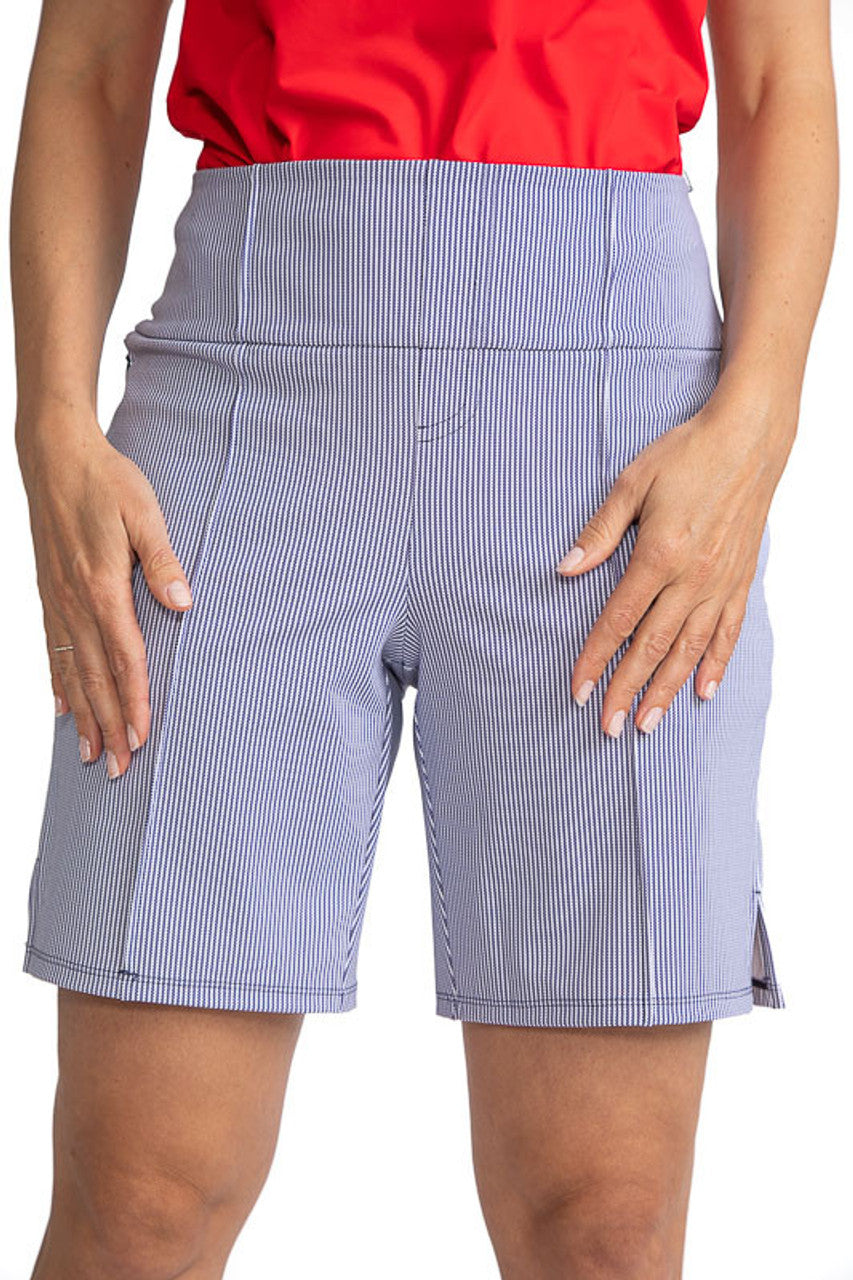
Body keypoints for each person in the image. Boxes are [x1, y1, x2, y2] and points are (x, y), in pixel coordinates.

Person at [10, 0, 837, 1276]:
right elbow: (93, 62)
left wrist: (759, 425)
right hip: (245, 393)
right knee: (138, 1197)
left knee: (604, 1220)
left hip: (610, 429)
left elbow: (781, 75)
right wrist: (51, 426)